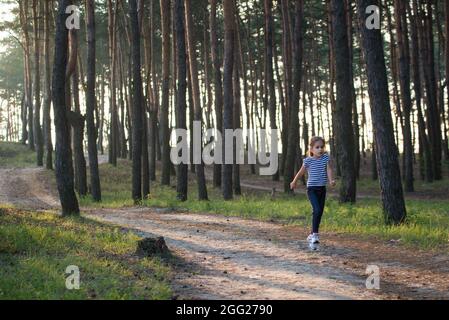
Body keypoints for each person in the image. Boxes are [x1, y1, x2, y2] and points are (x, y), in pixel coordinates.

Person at [290, 136, 336, 245]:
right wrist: (294, 181)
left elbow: (329, 169)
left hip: (322, 189)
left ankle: (312, 233)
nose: (320, 149)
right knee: (317, 209)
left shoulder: (325, 158)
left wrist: (331, 180)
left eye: (322, 147)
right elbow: (301, 172)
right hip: (312, 190)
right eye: (317, 147)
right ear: (311, 149)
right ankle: (315, 235)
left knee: (319, 212)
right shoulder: (308, 161)